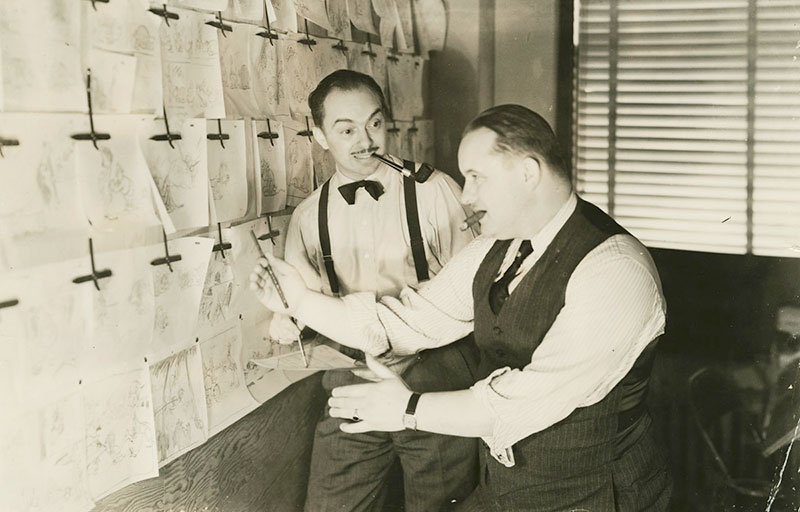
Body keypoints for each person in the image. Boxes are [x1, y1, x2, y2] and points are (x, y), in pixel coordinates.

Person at [251, 104, 673, 511]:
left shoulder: (615, 270)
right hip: (508, 490)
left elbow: (518, 405)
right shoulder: (496, 249)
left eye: (476, 178)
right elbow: (404, 322)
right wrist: (300, 300)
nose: (466, 196)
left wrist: (406, 409)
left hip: (595, 496)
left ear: (528, 173)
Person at [270, 69, 480, 512]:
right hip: (353, 378)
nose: (365, 141)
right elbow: (302, 302)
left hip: (435, 374)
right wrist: (287, 319)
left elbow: (474, 292)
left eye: (375, 123)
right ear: (320, 136)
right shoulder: (308, 217)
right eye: (346, 130)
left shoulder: (435, 191)